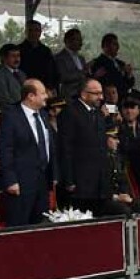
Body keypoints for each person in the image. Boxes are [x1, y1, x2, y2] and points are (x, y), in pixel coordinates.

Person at [0, 80, 58, 227]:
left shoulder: (43, 115)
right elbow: (6, 150)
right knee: (20, 226)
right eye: (42, 93)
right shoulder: (11, 117)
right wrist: (11, 180)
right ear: (31, 96)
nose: (46, 96)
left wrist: (54, 174)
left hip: (42, 182)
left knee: (41, 226)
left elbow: (50, 146)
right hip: (21, 183)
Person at [57, 79, 110, 214]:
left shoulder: (98, 114)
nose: (101, 97)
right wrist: (69, 180)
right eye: (96, 93)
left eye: (101, 93)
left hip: (98, 183)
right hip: (80, 183)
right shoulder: (70, 112)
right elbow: (65, 148)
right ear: (84, 94)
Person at [98, 124, 140, 216]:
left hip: (122, 197)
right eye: (114, 138)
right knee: (124, 211)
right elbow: (98, 186)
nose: (118, 141)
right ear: (104, 138)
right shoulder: (98, 159)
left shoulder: (118, 158)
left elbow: (123, 180)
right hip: (106, 199)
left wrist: (126, 194)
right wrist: (116, 197)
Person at [19, 20, 57, 92]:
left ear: (40, 32)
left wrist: (51, 88)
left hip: (44, 89)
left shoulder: (46, 51)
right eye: (30, 30)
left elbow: (52, 71)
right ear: (25, 32)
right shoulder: (19, 50)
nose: (33, 33)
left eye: (36, 30)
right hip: (25, 89)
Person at [54, 28, 88, 100]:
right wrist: (82, 73)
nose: (81, 42)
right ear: (67, 41)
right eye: (78, 39)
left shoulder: (81, 58)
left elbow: (85, 75)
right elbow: (63, 77)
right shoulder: (59, 58)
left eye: (81, 39)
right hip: (69, 97)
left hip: (83, 96)